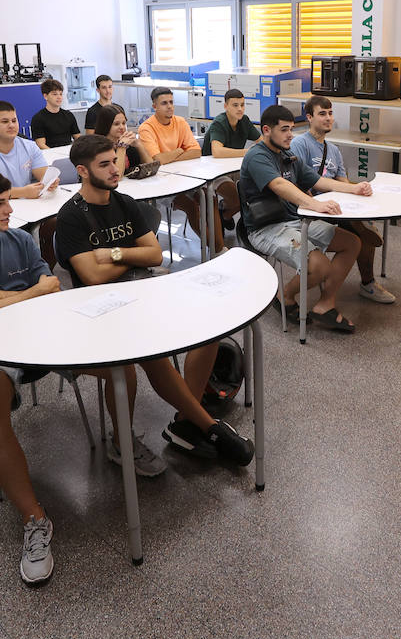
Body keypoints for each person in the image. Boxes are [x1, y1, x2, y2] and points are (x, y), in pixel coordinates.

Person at [0, 168, 142, 586]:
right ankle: (34, 519)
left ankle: (122, 442)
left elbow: (51, 289)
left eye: (9, 200)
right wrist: (28, 294)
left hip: (46, 333)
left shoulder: (21, 238)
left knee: (120, 365)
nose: (11, 209)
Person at [56, 135, 255, 465]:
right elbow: (90, 276)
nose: (115, 169)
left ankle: (187, 422)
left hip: (143, 294)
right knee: (136, 363)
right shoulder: (71, 216)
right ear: (82, 171)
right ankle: (132, 440)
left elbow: (154, 254)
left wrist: (113, 253)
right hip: (99, 311)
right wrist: (133, 258)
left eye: (115, 160)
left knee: (208, 331)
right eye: (104, 164)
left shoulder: (125, 203)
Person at [240, 104, 367, 333]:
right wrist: (315, 204)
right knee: (319, 265)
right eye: (284, 129)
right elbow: (279, 185)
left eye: (292, 129)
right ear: (267, 130)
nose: (290, 135)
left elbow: (317, 181)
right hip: (266, 228)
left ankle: (325, 304)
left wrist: (355, 188)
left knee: (352, 243)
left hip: (293, 221)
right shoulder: (257, 156)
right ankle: (285, 295)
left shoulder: (288, 154)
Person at [290, 95, 395, 304]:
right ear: (309, 117)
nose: (328, 118)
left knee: (363, 223)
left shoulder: (334, 150)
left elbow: (342, 181)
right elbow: (298, 184)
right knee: (361, 231)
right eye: (322, 114)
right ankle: (367, 280)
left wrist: (358, 189)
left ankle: (367, 280)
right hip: (312, 209)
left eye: (330, 113)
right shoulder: (300, 144)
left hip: (336, 207)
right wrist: (316, 206)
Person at [0, 100, 56, 263]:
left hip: (29, 209)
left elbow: (43, 174)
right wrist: (23, 192)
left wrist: (50, 181)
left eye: (14, 120)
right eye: (5, 121)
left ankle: (43, 269)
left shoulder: (29, 146)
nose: (11, 125)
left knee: (53, 224)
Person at [138, 86, 219, 251]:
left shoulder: (180, 122)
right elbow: (157, 160)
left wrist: (170, 156)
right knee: (190, 205)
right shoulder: (146, 128)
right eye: (164, 103)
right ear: (154, 106)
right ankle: (215, 249)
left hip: (185, 176)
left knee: (210, 197)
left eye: (171, 102)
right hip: (161, 184)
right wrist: (180, 150)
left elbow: (196, 152)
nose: (170, 106)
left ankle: (219, 248)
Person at [201, 88, 259, 234]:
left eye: (243, 104)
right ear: (226, 106)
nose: (240, 109)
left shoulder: (244, 121)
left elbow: (261, 141)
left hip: (234, 168)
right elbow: (217, 151)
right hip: (213, 172)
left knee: (254, 195)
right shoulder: (219, 123)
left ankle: (224, 214)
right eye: (235, 105)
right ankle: (224, 212)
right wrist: (247, 152)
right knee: (239, 199)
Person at [30, 78, 80, 150]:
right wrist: (55, 154)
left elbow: (78, 137)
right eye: (55, 94)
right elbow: (41, 144)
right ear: (45, 96)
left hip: (68, 152)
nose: (59, 97)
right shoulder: (38, 118)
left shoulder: (69, 115)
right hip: (49, 154)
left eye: (60, 94)